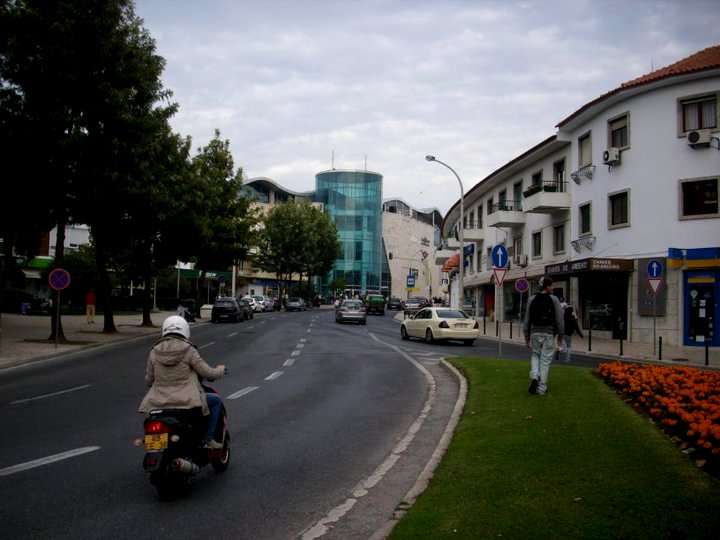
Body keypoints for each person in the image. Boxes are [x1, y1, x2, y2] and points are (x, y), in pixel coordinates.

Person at [138, 315, 226, 448]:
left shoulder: (154, 351)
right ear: (185, 330)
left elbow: (149, 380)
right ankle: (209, 439)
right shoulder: (189, 349)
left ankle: (158, 446)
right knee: (215, 401)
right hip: (186, 401)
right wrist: (221, 369)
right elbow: (207, 372)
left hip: (158, 402)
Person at [523, 276, 564, 395]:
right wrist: (560, 337)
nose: (553, 287)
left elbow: (527, 320)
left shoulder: (532, 299)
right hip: (549, 333)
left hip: (535, 332)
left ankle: (535, 375)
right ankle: (542, 388)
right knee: (545, 360)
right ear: (547, 286)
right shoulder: (554, 299)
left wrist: (526, 336)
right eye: (551, 285)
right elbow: (560, 320)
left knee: (535, 355)